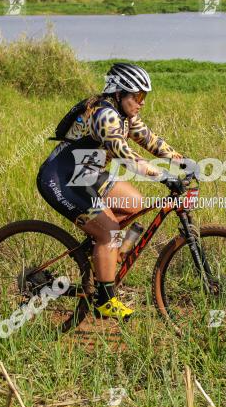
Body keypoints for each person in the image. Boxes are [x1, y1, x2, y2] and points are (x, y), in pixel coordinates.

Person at [36, 63, 186, 320]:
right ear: (119, 93)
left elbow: (150, 140)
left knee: (137, 206)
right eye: (138, 96)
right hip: (61, 178)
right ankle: (105, 299)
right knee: (110, 232)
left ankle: (105, 258)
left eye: (144, 97)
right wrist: (163, 176)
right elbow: (126, 158)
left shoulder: (124, 114)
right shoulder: (104, 115)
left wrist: (185, 163)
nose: (142, 103)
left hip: (86, 173)